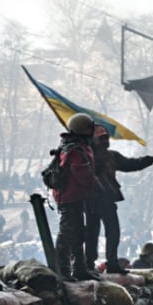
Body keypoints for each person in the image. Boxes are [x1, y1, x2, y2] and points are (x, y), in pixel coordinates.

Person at [86, 125, 153, 274]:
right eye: (101, 138)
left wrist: (149, 160)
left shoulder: (107, 156)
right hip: (94, 199)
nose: (105, 141)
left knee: (104, 232)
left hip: (100, 199)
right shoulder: (87, 156)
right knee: (96, 232)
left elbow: (130, 164)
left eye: (105, 138)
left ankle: (102, 262)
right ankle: (93, 262)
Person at [49, 113, 98, 280]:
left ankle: (78, 268)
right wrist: (96, 183)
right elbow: (82, 174)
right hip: (71, 197)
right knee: (68, 234)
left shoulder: (74, 146)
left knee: (78, 234)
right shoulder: (75, 149)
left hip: (74, 196)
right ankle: (62, 270)